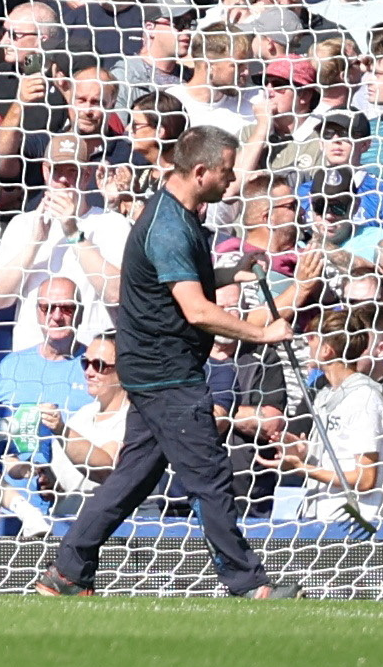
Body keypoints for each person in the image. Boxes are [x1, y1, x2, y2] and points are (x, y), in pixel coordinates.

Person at [41, 126, 282, 597]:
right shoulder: (169, 226)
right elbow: (196, 310)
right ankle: (248, 583)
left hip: (153, 367)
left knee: (133, 478)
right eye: (226, 171)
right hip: (166, 372)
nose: (232, 179)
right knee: (209, 476)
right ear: (200, 172)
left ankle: (66, 572)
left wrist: (228, 272)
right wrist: (262, 333)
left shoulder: (178, 214)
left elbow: (173, 281)